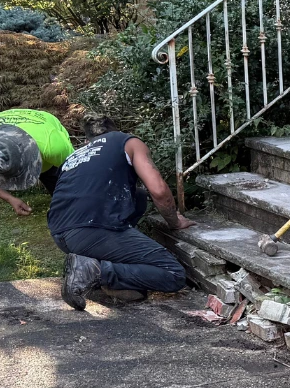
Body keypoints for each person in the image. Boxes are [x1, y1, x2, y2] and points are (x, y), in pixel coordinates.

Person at [48, 116, 193, 310]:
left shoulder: (74, 156)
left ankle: (101, 264)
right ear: (116, 130)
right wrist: (175, 222)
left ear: (87, 139)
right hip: (91, 230)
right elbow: (158, 190)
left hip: (60, 233)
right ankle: (96, 271)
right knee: (173, 274)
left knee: (138, 196)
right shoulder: (128, 142)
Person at [0, 108, 75, 273]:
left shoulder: (52, 145)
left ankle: (82, 254)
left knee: (73, 202)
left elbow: (77, 175)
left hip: (48, 156)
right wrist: (10, 198)